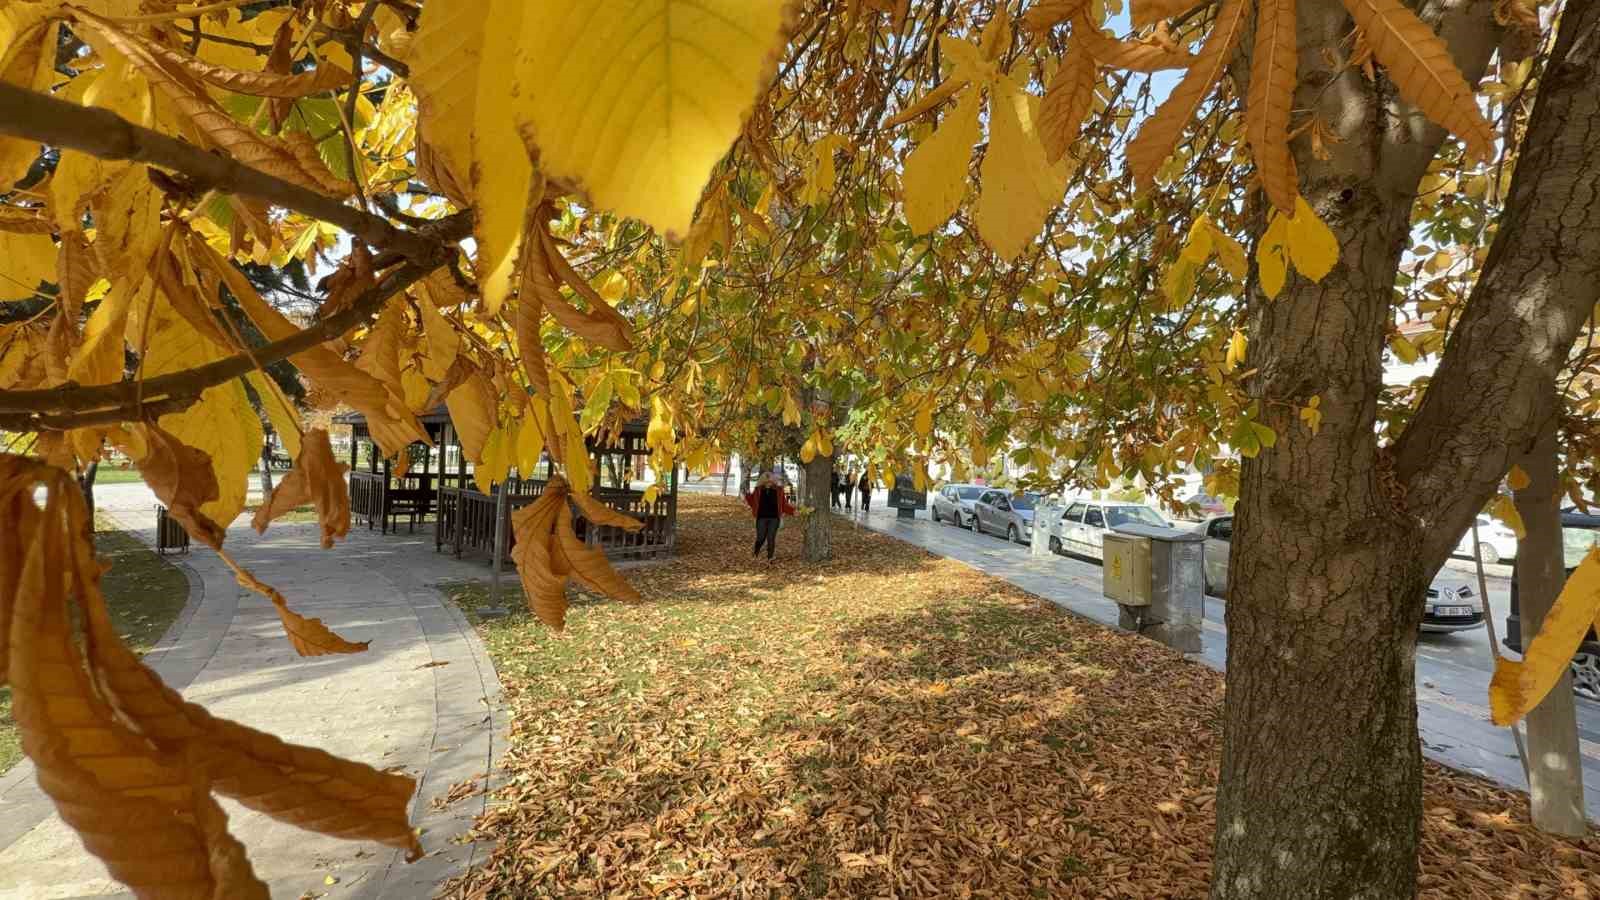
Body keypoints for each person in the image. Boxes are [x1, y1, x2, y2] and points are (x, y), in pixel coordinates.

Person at [743, 472, 795, 560]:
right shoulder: (758, 490)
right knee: (761, 537)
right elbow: (753, 502)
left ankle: (770, 557)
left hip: (774, 518)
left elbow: (784, 505)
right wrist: (747, 496)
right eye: (767, 481)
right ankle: (756, 552)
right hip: (761, 518)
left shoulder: (779, 490)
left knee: (771, 538)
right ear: (762, 481)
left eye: (771, 481)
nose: (769, 483)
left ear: (773, 481)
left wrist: (793, 511)